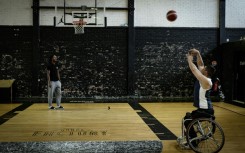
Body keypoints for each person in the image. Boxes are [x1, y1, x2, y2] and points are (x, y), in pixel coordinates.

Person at [184, 49, 216, 146]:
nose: (202, 67)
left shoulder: (205, 81)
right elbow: (200, 64)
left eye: (204, 68)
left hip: (206, 110)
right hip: (203, 109)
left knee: (187, 121)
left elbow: (194, 69)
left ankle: (194, 142)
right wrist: (198, 53)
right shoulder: (205, 77)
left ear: (205, 72)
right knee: (188, 117)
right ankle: (192, 137)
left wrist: (189, 59)